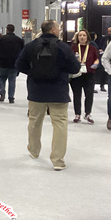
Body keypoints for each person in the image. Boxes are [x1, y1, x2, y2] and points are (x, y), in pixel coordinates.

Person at [16, 20, 80, 170]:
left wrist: (33, 72)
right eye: (58, 28)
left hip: (36, 90)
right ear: (52, 30)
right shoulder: (63, 47)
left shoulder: (31, 46)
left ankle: (34, 150)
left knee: (34, 122)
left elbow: (19, 64)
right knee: (60, 124)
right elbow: (75, 68)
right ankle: (58, 160)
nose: (59, 31)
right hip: (58, 91)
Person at [70, 30, 100, 124]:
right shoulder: (73, 48)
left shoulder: (92, 48)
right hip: (77, 75)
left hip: (89, 74)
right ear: (77, 37)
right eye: (80, 35)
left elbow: (97, 59)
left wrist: (95, 65)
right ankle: (77, 114)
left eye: (84, 35)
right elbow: (70, 60)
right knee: (77, 95)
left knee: (89, 95)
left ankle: (88, 113)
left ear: (87, 37)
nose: (82, 37)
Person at [0, 24, 25, 103]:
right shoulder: (19, 40)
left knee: (2, 78)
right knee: (12, 80)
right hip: (14, 63)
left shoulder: (1, 39)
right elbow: (22, 51)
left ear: (6, 30)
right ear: (13, 30)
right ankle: (11, 97)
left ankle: (2, 92)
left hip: (2, 62)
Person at [96, 26, 111, 92]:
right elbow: (100, 45)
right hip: (104, 55)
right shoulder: (104, 38)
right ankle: (102, 85)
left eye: (110, 31)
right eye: (108, 31)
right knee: (102, 71)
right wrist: (100, 49)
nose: (109, 33)